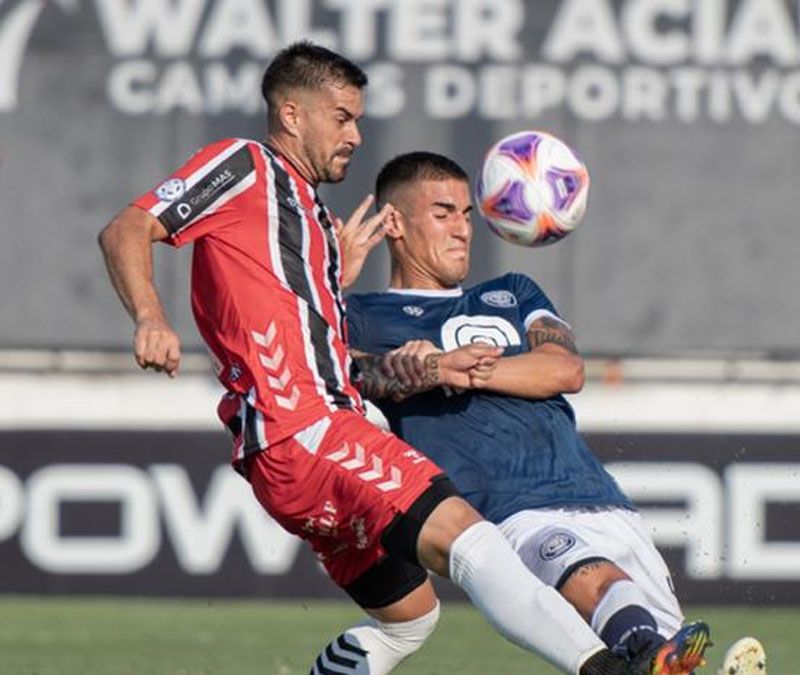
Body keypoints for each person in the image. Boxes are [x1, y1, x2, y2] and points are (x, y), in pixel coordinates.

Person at [96, 41, 675, 675]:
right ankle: (611, 669)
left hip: (285, 449)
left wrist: (349, 302)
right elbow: (128, 227)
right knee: (471, 539)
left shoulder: (311, 217)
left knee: (409, 618)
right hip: (312, 427)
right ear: (292, 114)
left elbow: (308, 339)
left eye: (358, 119)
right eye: (342, 117)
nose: (354, 133)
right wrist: (150, 316)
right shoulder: (247, 166)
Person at [345, 152, 746, 674]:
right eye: (443, 213)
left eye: (467, 214)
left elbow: (563, 370)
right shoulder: (360, 314)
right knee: (605, 592)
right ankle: (647, 649)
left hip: (599, 497)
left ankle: (653, 654)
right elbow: (327, 373)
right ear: (394, 222)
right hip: (506, 510)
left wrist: (457, 371)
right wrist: (327, 280)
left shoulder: (511, 292)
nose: (463, 230)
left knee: (661, 656)